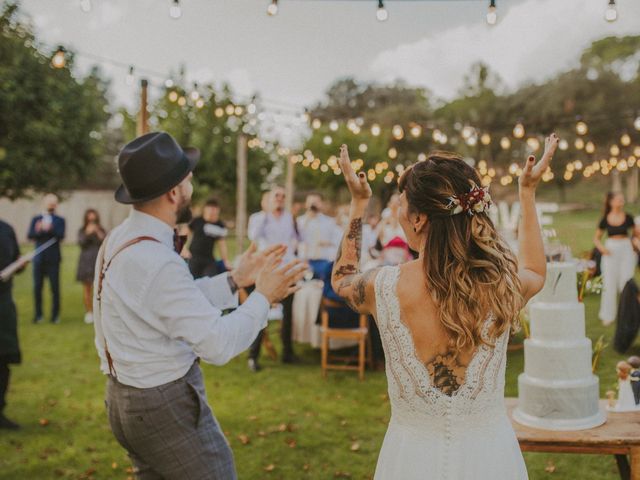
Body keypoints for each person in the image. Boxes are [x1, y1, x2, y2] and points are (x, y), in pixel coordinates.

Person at [331, 137, 558, 479]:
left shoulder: (383, 287)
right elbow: (537, 272)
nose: (399, 212)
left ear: (419, 218)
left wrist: (358, 203)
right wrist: (527, 193)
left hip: (409, 461)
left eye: (402, 204)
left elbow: (342, 278)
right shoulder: (501, 286)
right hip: (491, 460)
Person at [95, 131, 304, 479]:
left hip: (123, 400)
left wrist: (235, 279)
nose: (193, 185)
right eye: (189, 179)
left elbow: (175, 301)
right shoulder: (156, 259)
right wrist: (264, 296)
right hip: (163, 405)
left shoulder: (121, 238)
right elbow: (217, 344)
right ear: (174, 192)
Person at [248, 186, 301, 370]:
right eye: (276, 196)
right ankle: (253, 356)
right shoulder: (259, 217)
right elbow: (253, 236)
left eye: (282, 196)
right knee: (261, 311)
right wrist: (266, 213)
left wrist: (296, 263)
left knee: (289, 313)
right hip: (268, 271)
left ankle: (288, 353)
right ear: (270, 199)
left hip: (287, 270)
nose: (280, 199)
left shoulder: (288, 217)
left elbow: (295, 239)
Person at [594, 192, 640, 326]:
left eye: (622, 199)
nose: (621, 201)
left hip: (626, 250)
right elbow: (596, 239)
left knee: (626, 281)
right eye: (619, 199)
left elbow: (635, 235)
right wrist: (602, 249)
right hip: (610, 250)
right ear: (611, 202)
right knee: (609, 282)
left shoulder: (629, 218)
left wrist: (635, 243)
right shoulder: (605, 219)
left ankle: (630, 313)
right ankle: (608, 315)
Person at [27, 193, 66, 324]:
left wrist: (49, 229)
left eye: (54, 202)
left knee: (55, 289)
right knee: (37, 288)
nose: (51, 204)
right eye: (49, 202)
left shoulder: (60, 220)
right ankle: (38, 315)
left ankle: (55, 316)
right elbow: (30, 235)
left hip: (53, 259)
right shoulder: (36, 219)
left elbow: (61, 235)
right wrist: (38, 230)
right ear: (44, 203)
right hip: (39, 259)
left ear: (56, 204)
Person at [0, 219, 23, 430]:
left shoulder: (7, 229)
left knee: (3, 359)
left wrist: (20, 265)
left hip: (3, 305)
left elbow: (15, 258)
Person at [296, 193, 340, 279]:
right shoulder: (299, 222)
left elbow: (339, 242)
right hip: (303, 263)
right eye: (311, 202)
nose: (313, 205)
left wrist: (329, 243)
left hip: (324, 263)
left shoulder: (330, 222)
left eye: (316, 202)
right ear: (306, 204)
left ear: (321, 204)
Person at [186, 198, 231, 279]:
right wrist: (183, 249)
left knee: (211, 279)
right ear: (205, 209)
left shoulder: (220, 225)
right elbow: (184, 233)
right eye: (210, 209)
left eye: (214, 209)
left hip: (209, 259)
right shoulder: (197, 220)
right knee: (190, 279)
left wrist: (225, 260)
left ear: (218, 211)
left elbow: (222, 244)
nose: (212, 212)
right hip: (193, 257)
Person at [76, 209, 106, 324]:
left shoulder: (101, 229)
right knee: (87, 289)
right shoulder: (82, 230)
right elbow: (81, 243)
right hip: (86, 262)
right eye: (90, 219)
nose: (92, 221)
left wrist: (98, 232)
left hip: (98, 260)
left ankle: (100, 312)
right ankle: (89, 312)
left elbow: (105, 242)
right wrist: (88, 233)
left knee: (100, 289)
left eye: (94, 219)